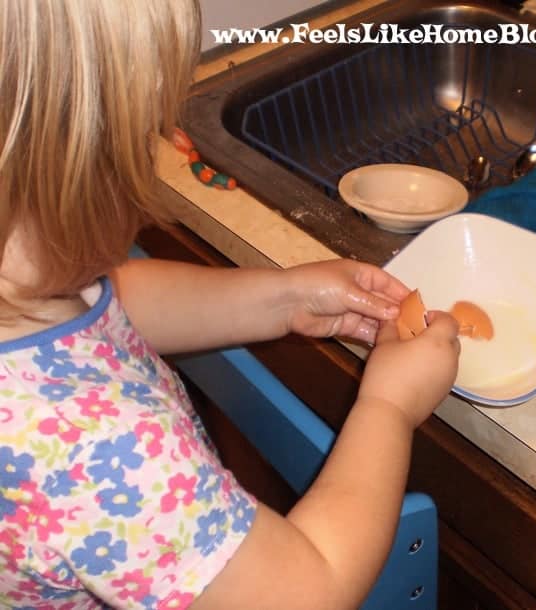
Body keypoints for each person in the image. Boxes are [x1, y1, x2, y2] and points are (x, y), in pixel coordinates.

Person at [0, 1, 461, 608]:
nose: (162, 144)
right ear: (60, 172)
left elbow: (118, 302)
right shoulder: (101, 448)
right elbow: (309, 589)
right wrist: (388, 406)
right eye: (139, 136)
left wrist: (284, 295)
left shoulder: (26, 283)